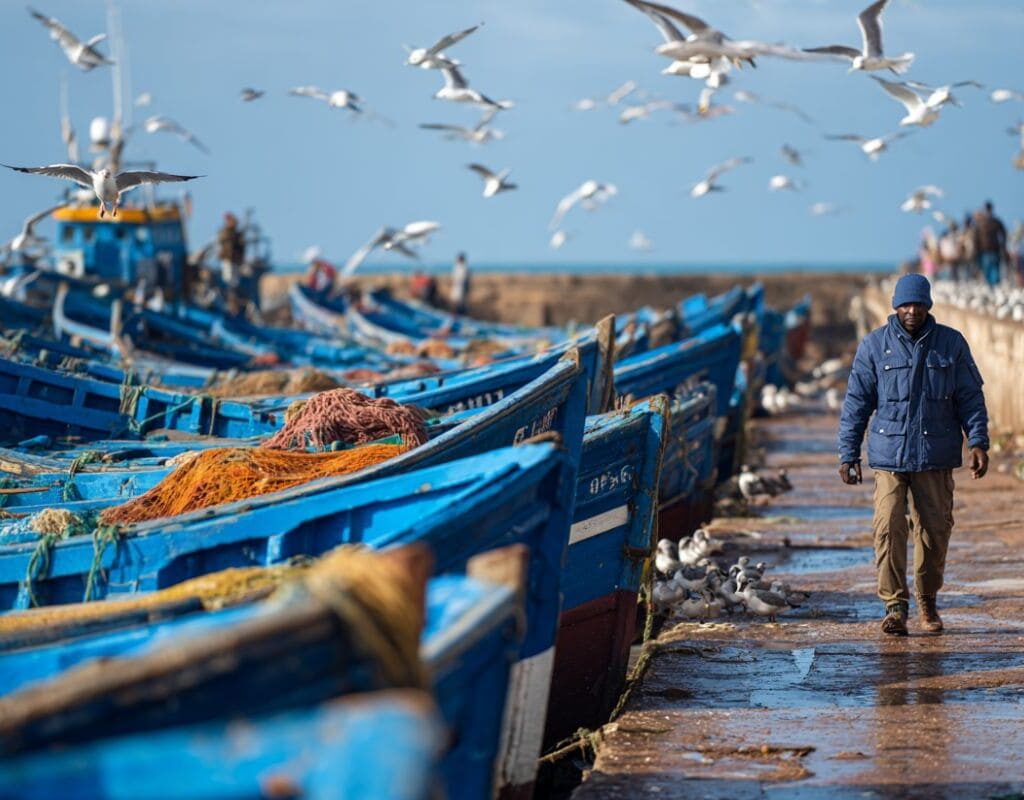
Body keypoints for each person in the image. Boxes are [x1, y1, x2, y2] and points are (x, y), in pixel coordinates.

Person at [838, 274, 989, 636]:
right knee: (888, 527)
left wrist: (979, 441)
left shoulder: (950, 344)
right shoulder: (875, 346)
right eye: (905, 305)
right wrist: (848, 453)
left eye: (918, 305)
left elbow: (970, 397)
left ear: (928, 306)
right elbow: (856, 403)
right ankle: (894, 606)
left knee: (934, 532)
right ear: (895, 306)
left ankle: (927, 600)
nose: (911, 311)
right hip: (889, 454)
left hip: (935, 453)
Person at [973, 201, 1007, 286]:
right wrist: (1003, 245)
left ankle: (992, 286)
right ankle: (994, 286)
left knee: (989, 268)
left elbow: (975, 238)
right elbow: (1003, 233)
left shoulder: (980, 223)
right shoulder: (996, 221)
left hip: (986, 250)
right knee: (992, 268)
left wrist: (976, 250)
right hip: (993, 249)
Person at [217, 212, 246, 310]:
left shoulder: (236, 234)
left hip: (235, 261)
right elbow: (223, 242)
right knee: (228, 280)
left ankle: (234, 301)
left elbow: (241, 247)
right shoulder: (225, 232)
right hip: (228, 260)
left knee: (235, 282)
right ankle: (230, 301)